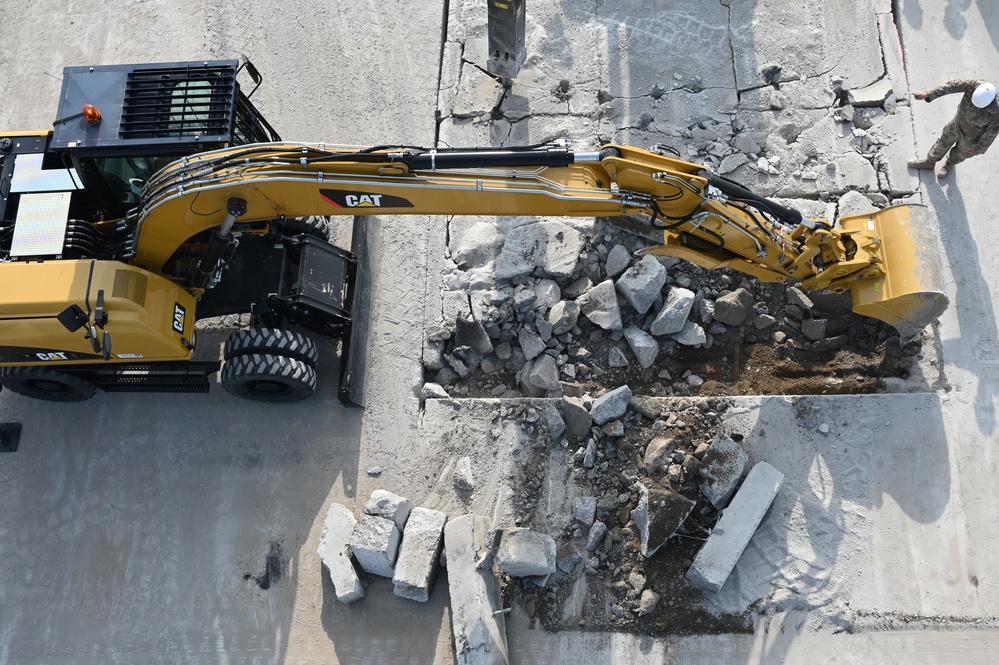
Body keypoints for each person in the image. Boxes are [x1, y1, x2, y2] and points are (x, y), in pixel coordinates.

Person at [907, 79, 999, 177]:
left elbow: (990, 134)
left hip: (971, 138)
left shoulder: (997, 112)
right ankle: (929, 162)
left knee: (959, 154)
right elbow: (951, 86)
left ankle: (948, 164)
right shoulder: (975, 85)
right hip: (956, 125)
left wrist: (979, 149)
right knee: (942, 143)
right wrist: (929, 93)